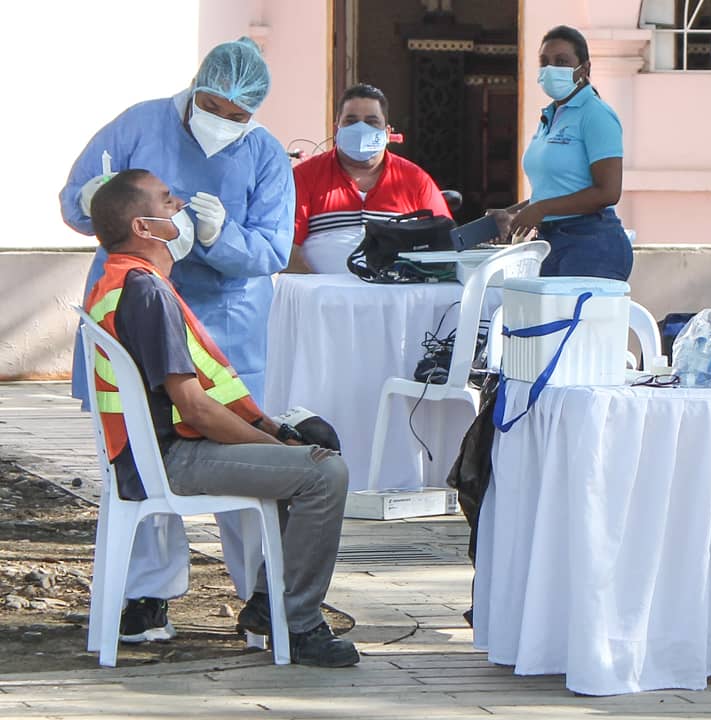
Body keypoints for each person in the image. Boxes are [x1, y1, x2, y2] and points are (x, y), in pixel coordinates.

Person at [58, 38, 294, 640]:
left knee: (244, 459)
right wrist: (92, 200)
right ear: (195, 89)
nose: (225, 124)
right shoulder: (141, 124)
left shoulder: (264, 154)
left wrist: (218, 236)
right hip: (138, 316)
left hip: (224, 323)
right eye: (215, 107)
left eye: (240, 117)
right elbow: (82, 199)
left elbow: (272, 251)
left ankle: (264, 601)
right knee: (140, 453)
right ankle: (147, 595)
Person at [83, 169, 357, 667]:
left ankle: (264, 603)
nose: (180, 205)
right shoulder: (145, 291)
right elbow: (195, 408)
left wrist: (275, 435)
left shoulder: (125, 280)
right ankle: (297, 624)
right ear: (144, 227)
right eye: (168, 201)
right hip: (173, 459)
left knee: (310, 443)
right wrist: (280, 451)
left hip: (160, 451)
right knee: (323, 472)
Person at [497, 25, 632, 281]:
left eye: (561, 62)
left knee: (576, 321)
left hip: (591, 244)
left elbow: (608, 192)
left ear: (584, 69)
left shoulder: (595, 114)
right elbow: (554, 190)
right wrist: (512, 214)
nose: (551, 69)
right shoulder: (549, 116)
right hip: (551, 243)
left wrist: (542, 209)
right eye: (544, 62)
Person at [288, 83, 451, 274]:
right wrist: (320, 292)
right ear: (336, 128)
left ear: (388, 133)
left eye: (371, 122)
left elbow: (445, 247)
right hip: (322, 299)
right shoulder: (305, 176)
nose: (361, 129)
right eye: (351, 121)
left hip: (397, 299)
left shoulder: (416, 180)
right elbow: (286, 251)